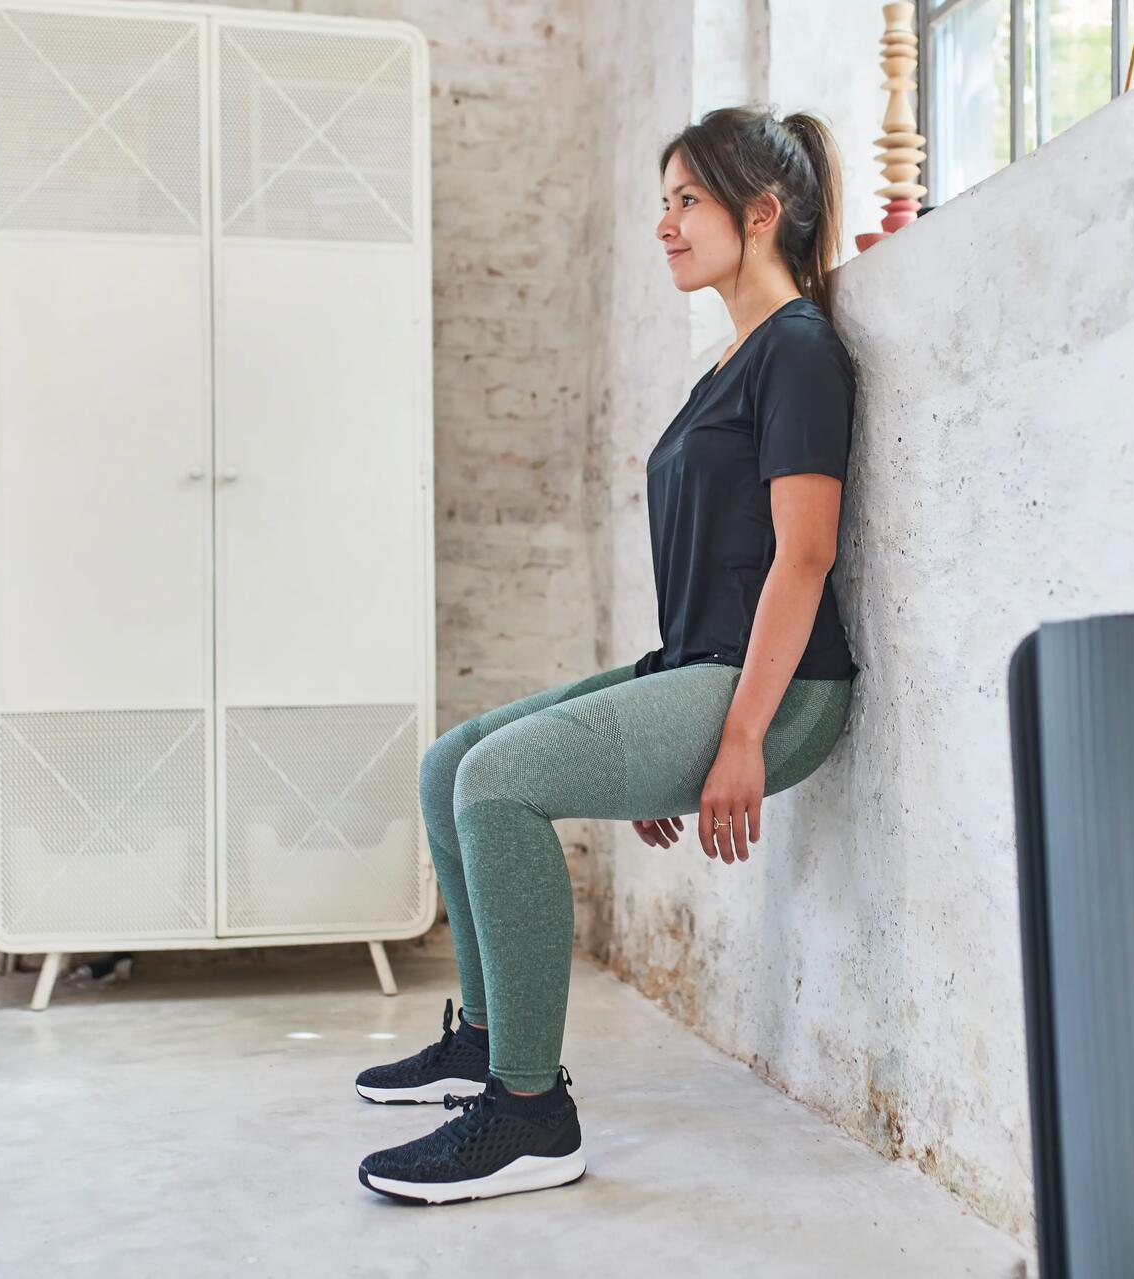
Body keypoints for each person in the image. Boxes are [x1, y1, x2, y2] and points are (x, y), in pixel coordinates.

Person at [355, 104, 863, 1205]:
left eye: (688, 202)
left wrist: (735, 736)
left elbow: (807, 553)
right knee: (451, 764)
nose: (665, 225)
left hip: (780, 690)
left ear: (761, 213)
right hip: (697, 668)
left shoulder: (800, 350)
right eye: (663, 203)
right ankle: (484, 1040)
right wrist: (647, 746)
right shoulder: (728, 361)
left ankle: (530, 1112)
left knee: (500, 783)